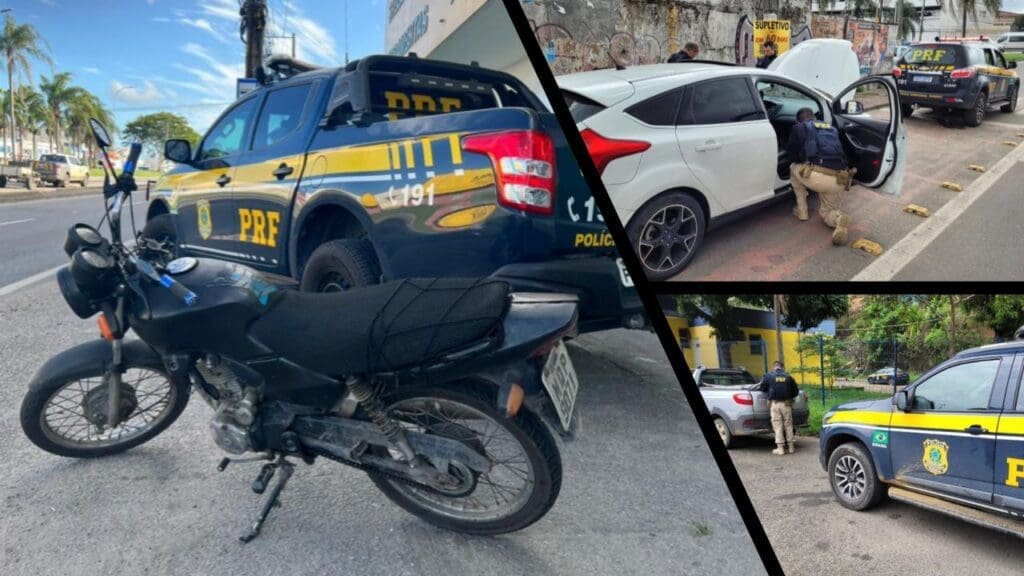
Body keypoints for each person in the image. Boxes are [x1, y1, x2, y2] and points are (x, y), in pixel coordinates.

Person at [787, 107, 856, 245]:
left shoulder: (799, 128)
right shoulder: (831, 128)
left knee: (793, 167)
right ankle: (839, 219)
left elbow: (793, 155)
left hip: (817, 177)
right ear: (814, 117)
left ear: (798, 120)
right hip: (840, 180)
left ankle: (802, 212)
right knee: (827, 213)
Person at [758, 360, 800, 455]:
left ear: (774, 367)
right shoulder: (789, 377)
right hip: (787, 404)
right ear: (782, 367)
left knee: (778, 425)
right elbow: (795, 392)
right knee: (788, 425)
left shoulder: (768, 376)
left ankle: (780, 449)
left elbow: (762, 388)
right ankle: (791, 447)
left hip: (775, 404)